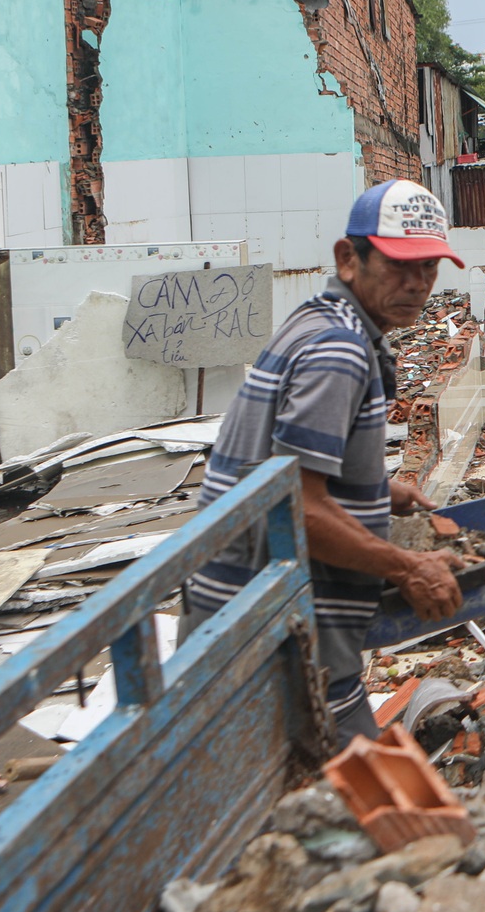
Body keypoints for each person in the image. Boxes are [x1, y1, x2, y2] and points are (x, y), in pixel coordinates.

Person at [184, 179, 469, 749]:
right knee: (350, 790)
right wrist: (406, 567)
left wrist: (372, 489)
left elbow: (282, 465)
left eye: (429, 268)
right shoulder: (339, 352)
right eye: (397, 265)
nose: (417, 284)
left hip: (239, 598)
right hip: (272, 616)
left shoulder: (316, 323)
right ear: (349, 258)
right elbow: (294, 508)